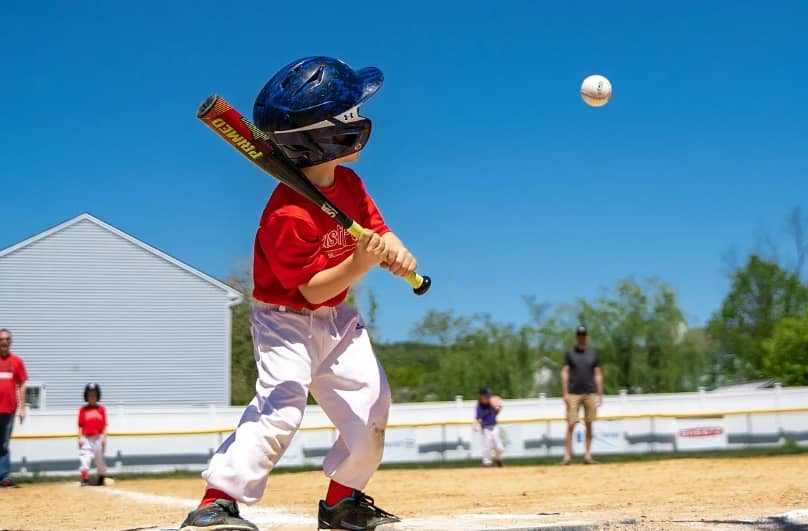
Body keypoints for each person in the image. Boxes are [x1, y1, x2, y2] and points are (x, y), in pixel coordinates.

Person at [180, 57, 418, 531]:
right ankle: (218, 501)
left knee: (372, 404)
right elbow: (311, 289)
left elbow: (378, 230)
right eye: (349, 115)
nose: (359, 119)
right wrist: (364, 261)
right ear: (325, 138)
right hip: (284, 320)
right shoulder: (287, 214)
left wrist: (396, 251)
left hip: (336, 321)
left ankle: (342, 500)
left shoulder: (348, 183)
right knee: (282, 405)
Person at [561, 325, 603, 465]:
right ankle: (567, 456)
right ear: (576, 336)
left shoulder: (593, 353)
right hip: (573, 393)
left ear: (587, 336)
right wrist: (565, 393)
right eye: (579, 335)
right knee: (571, 424)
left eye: (584, 335)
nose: (582, 337)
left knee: (589, 424)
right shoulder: (570, 353)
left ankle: (587, 455)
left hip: (590, 393)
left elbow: (597, 374)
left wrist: (600, 393)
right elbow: (565, 372)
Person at [0, 328, 27, 489]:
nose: (4, 342)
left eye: (7, 339)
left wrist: (23, 408)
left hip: (8, 411)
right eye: (2, 339)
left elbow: (22, 383)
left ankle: (4, 477)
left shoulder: (17, 361)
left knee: (3, 445)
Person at [78, 383, 107, 486]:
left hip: (98, 437)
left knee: (99, 458)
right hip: (86, 437)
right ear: (86, 396)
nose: (92, 397)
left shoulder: (101, 409)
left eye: (94, 395)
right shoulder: (83, 410)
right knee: (85, 456)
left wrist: (104, 438)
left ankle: (101, 476)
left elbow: (104, 426)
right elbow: (80, 426)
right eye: (90, 395)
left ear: (98, 396)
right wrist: (80, 438)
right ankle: (84, 477)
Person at [474, 387, 504, 467]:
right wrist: (476, 425)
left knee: (499, 447)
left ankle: (499, 460)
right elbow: (478, 418)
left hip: (495, 428)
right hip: (486, 429)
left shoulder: (492, 403)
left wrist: (498, 408)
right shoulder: (479, 406)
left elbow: (497, 411)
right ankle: (487, 464)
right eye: (485, 396)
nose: (487, 398)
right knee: (487, 448)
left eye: (488, 396)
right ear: (481, 397)